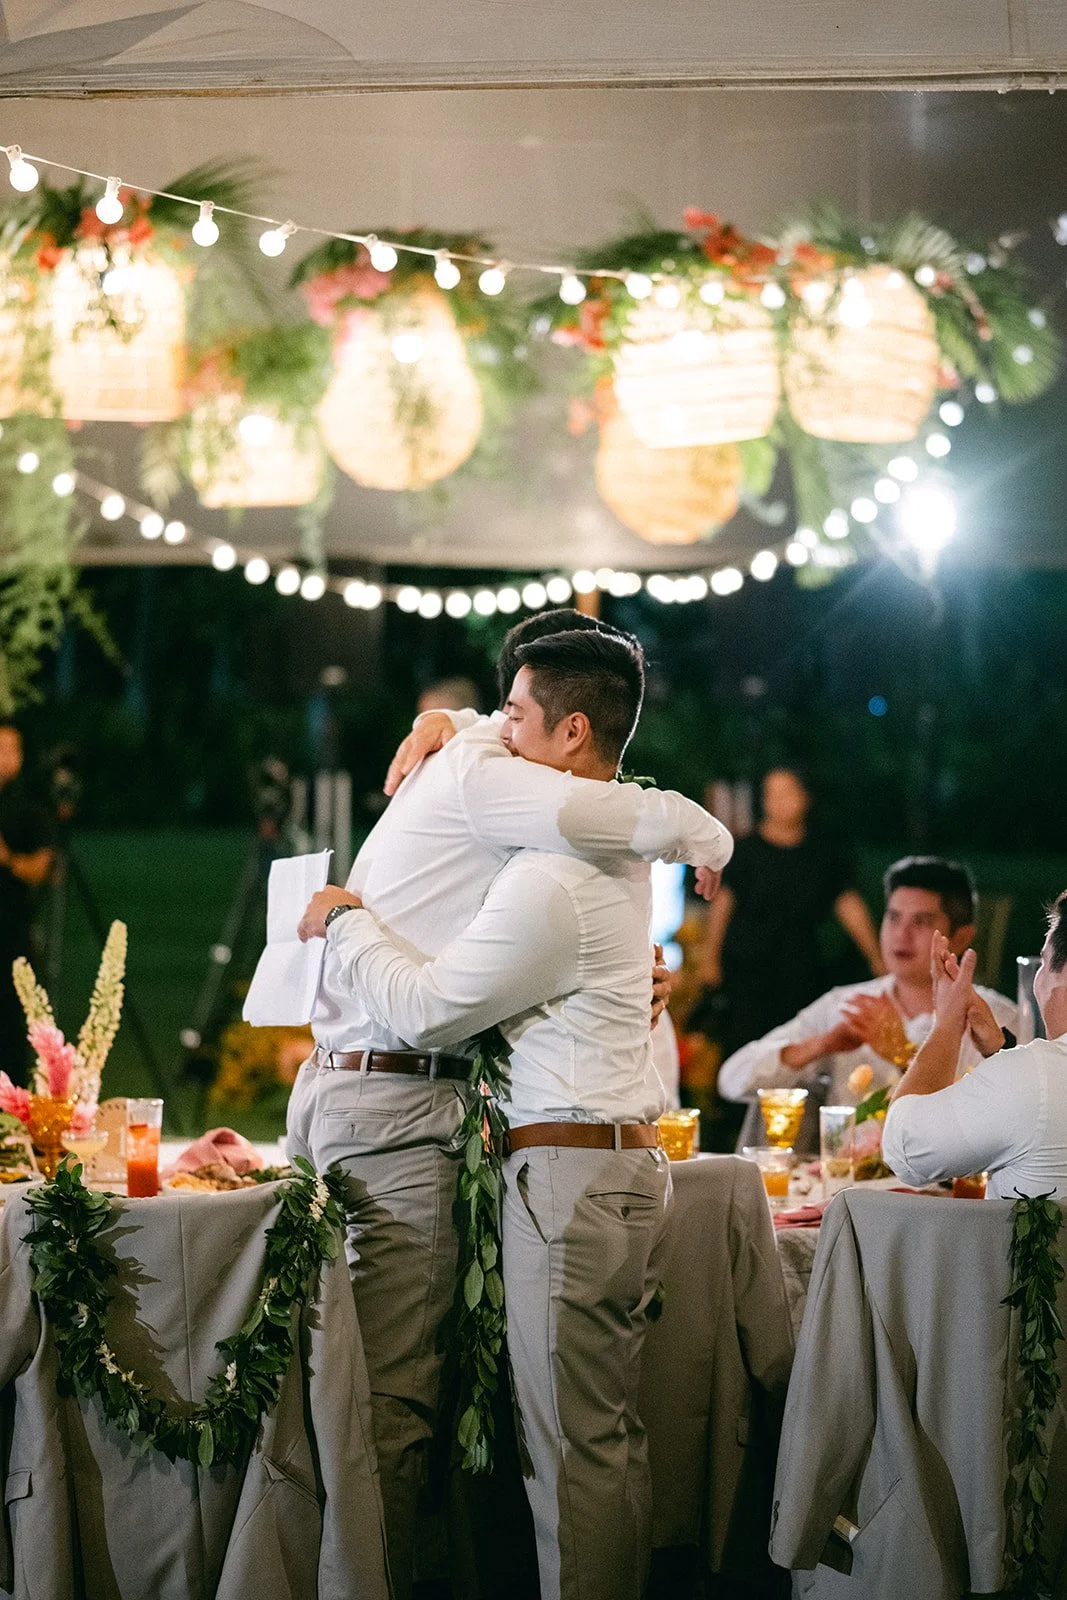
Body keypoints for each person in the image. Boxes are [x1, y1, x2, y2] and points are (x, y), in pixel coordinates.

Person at [284, 610, 733, 1600]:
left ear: (570, 735)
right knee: (572, 1438)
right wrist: (445, 718)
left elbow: (432, 1009)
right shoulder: (533, 811)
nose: (497, 726)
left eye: (518, 713)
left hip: (564, 1170)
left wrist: (348, 920)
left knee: (571, 1445)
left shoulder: (554, 872)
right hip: (560, 1159)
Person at [716, 856, 1016, 1116]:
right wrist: (820, 1045)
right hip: (846, 1179)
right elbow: (731, 1079)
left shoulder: (996, 1017)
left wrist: (903, 1054)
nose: (902, 934)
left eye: (921, 922)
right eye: (894, 918)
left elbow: (1011, 1113)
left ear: (962, 937)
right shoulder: (846, 1005)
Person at [883, 893, 1067, 1198]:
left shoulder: (1032, 1080)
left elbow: (903, 1149)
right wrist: (1000, 1053)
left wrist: (947, 1021)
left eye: (1044, 961)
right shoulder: (1037, 1079)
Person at [698, 766, 884, 1057]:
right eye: (771, 794)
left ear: (805, 797)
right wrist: (710, 959)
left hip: (800, 967)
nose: (778, 801)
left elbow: (847, 903)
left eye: (787, 792)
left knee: (797, 1045)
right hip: (748, 968)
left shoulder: (823, 853)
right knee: (743, 1047)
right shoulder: (745, 850)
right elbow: (723, 902)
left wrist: (876, 957)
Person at [0, 723, 54, 1084]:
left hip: (10, 928)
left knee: (10, 1018)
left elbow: (44, 866)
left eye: (10, 751)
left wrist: (7, 860)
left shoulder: (28, 806)